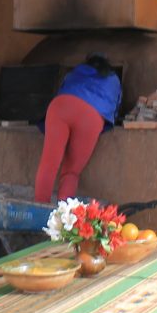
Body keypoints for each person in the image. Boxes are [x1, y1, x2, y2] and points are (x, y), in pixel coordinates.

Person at [35, 54, 123, 203]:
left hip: (60, 106)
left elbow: (63, 89)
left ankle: (40, 206)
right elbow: (115, 107)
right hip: (91, 115)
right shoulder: (113, 79)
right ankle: (63, 212)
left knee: (49, 163)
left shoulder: (75, 71)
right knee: (71, 171)